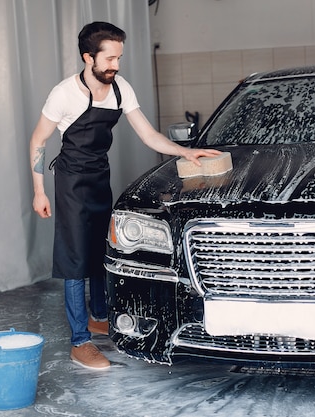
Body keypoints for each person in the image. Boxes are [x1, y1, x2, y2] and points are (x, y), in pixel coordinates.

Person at [29, 21, 220, 370]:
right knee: (75, 262)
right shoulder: (64, 94)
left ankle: (99, 316)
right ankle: (79, 341)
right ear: (89, 57)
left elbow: (148, 135)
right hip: (71, 182)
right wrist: (39, 191)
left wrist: (184, 152)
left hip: (100, 178)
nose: (116, 65)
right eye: (110, 58)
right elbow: (38, 140)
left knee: (102, 250)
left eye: (119, 57)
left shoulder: (121, 89)